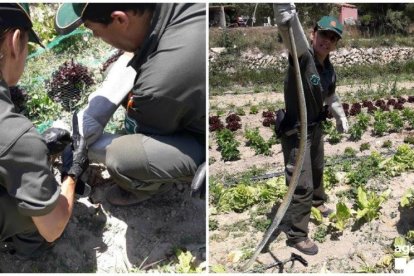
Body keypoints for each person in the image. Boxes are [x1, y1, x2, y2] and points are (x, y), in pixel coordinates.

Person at [54, 3, 206, 206]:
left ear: (120, 19)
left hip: (205, 138)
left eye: (94, 30)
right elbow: (134, 53)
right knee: (123, 72)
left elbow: (142, 135)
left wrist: (83, 148)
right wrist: (93, 116)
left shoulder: (159, 84)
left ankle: (147, 188)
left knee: (125, 157)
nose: (96, 38)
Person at [0, 3, 89, 259]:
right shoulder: (14, 134)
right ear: (15, 41)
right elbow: (54, 226)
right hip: (48, 227)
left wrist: (37, 153)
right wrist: (71, 174)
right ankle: (29, 247)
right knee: (35, 210)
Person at [274, 3, 348, 255]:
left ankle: (318, 201)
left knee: (317, 169)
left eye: (333, 38)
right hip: (297, 132)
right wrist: (286, 16)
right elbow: (290, 36)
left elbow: (331, 96)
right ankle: (297, 235)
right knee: (301, 183)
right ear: (313, 33)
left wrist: (340, 115)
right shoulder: (303, 57)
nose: (327, 41)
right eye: (324, 34)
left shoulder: (328, 69)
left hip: (315, 128)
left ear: (336, 43)